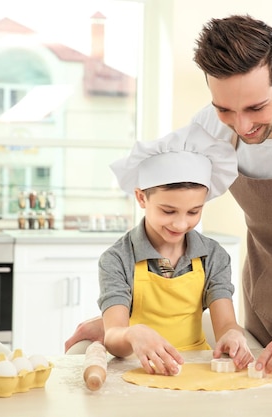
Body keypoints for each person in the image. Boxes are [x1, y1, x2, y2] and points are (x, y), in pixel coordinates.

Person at [65, 14, 272, 376]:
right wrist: (120, 327)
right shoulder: (207, 131)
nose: (242, 126)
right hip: (265, 305)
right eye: (225, 109)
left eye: (256, 108)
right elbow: (170, 227)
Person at [95, 122, 253, 376]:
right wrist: (133, 334)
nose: (181, 224)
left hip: (194, 368)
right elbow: (114, 336)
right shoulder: (117, 259)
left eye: (194, 212)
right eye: (168, 211)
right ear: (141, 198)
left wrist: (233, 336)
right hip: (138, 368)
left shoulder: (213, 256)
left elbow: (225, 323)